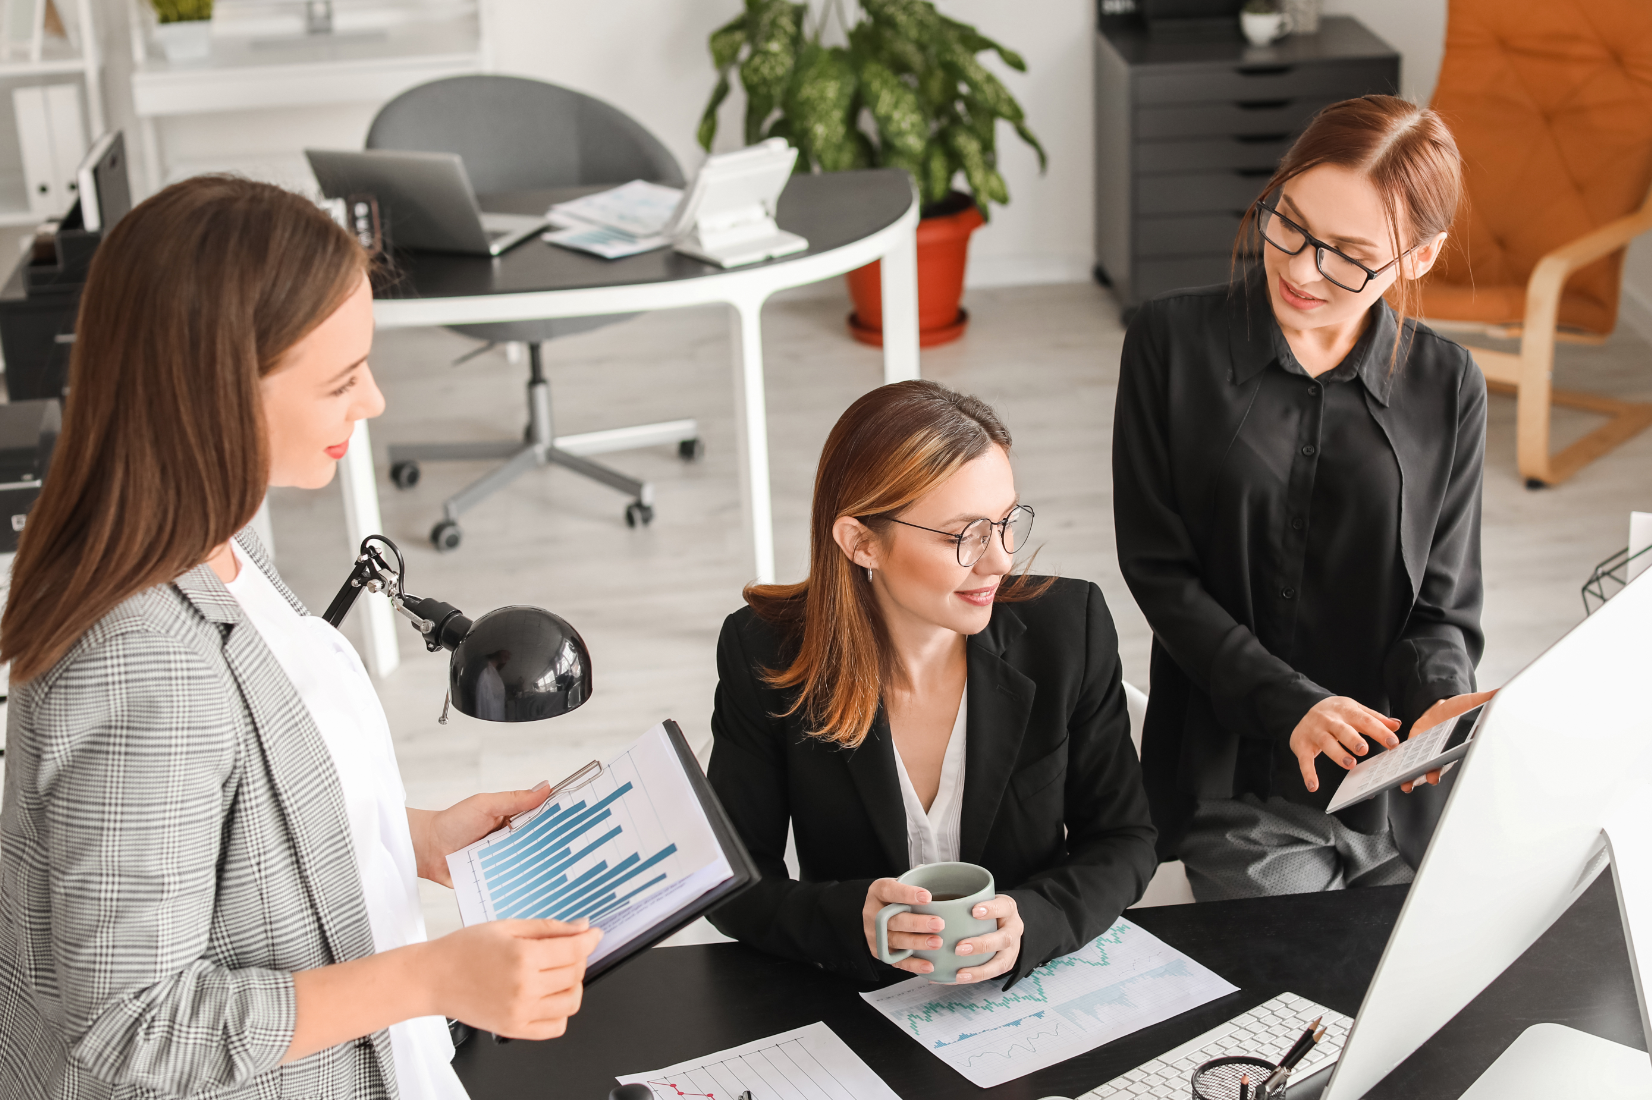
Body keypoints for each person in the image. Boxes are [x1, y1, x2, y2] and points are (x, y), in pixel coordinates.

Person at [0, 177, 601, 1100]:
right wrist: (435, 976)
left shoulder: (212, 541)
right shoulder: (136, 660)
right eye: (338, 379)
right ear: (213, 395)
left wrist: (413, 839)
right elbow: (133, 1025)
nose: (375, 403)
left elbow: (229, 816)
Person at [1113, 96, 1496, 901]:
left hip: (1397, 794)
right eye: (1288, 224)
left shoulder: (1448, 384)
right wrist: (1292, 704)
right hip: (1238, 788)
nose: (1300, 269)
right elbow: (1160, 575)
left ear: (1417, 260)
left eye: (1349, 256)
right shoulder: (1167, 344)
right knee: (1295, 989)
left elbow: (1442, 609)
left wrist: (1437, 713)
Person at [708, 380, 1157, 987]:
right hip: (856, 1004)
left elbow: (1125, 838)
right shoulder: (762, 654)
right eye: (964, 535)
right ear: (862, 542)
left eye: (1006, 523)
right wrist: (851, 922)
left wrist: (1036, 921)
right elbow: (730, 882)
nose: (999, 560)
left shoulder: (1068, 629)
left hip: (1027, 996)